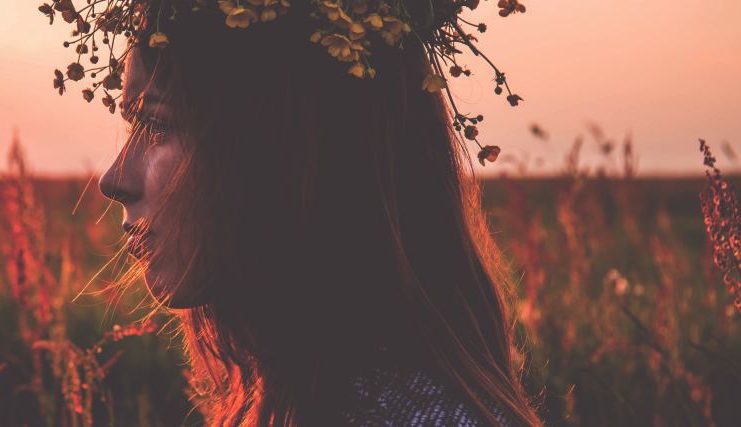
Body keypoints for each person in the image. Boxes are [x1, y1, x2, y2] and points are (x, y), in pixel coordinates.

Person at [56, 0, 543, 425]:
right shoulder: (316, 396)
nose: (113, 179)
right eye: (131, 123)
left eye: (157, 125)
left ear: (279, 153)